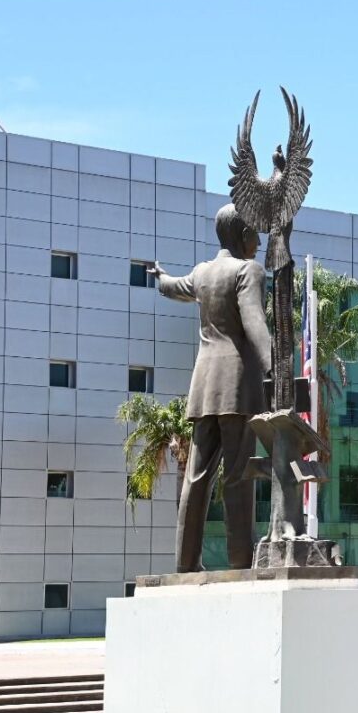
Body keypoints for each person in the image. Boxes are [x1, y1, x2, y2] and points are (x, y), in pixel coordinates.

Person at [151, 204, 271, 572]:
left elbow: (172, 287)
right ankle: (239, 562)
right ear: (241, 234)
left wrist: (160, 276)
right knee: (237, 476)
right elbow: (254, 323)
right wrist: (274, 368)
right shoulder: (247, 270)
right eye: (254, 232)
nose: (259, 240)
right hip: (236, 386)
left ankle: (186, 564)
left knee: (197, 477)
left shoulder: (203, 273)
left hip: (203, 386)